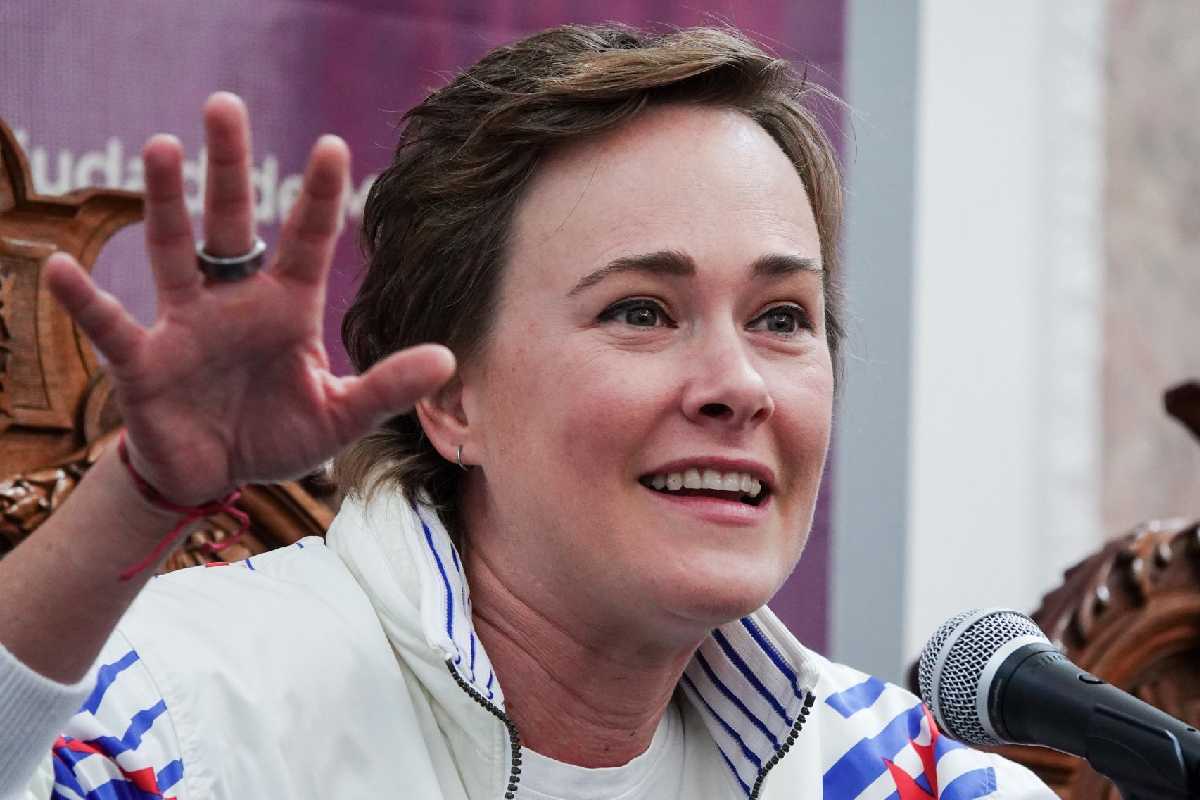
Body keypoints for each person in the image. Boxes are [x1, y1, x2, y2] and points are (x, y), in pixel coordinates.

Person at [0, 24, 1052, 800]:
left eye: (782, 318)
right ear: (448, 395)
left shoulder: (891, 774)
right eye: (641, 311)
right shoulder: (186, 716)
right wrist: (142, 492)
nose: (739, 385)